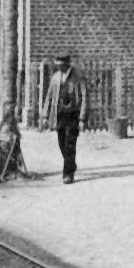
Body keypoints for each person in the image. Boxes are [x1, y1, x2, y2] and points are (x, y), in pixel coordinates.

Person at [40, 53, 88, 184]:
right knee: (61, 143)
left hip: (73, 115)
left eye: (61, 65)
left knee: (70, 145)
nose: (59, 68)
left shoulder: (78, 77)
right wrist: (45, 115)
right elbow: (49, 96)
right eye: (57, 65)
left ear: (68, 64)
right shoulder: (55, 77)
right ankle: (71, 164)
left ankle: (68, 174)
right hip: (59, 115)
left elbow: (84, 97)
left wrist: (82, 118)